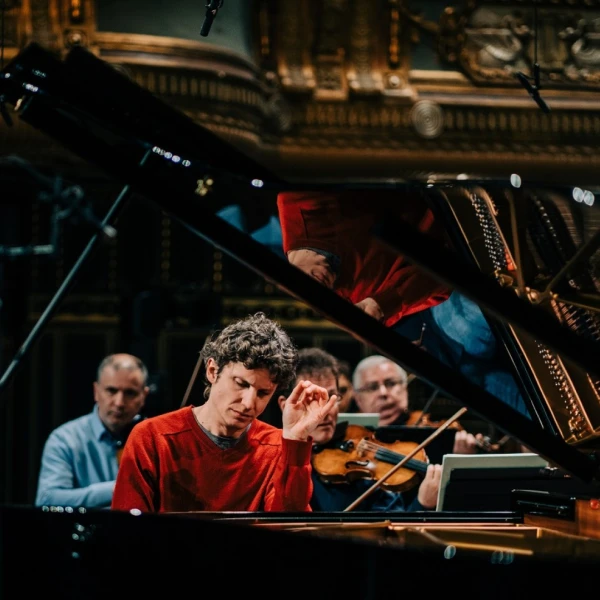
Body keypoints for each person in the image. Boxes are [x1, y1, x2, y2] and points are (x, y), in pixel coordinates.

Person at [277, 189, 530, 418]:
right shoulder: (348, 298)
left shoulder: (297, 200)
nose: (319, 288)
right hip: (451, 346)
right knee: (515, 402)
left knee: (476, 336)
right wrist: (381, 305)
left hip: (449, 212)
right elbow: (441, 280)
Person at [111, 312, 338, 513]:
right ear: (212, 370)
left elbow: (289, 526)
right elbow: (126, 534)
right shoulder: (151, 438)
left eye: (263, 393)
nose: (249, 403)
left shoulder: (277, 446)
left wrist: (295, 440)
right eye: (240, 384)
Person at [277, 347, 442, 511]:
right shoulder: (271, 457)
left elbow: (388, 525)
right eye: (311, 400)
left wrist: (422, 505)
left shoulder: (359, 461)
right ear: (286, 406)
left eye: (331, 398)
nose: (324, 412)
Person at [35, 353, 150, 508]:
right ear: (96, 391)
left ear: (144, 396)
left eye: (130, 393)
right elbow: (47, 499)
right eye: (111, 391)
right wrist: (117, 489)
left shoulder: (153, 439)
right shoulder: (64, 439)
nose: (119, 403)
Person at [352, 355, 484, 454]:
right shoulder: (349, 434)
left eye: (391, 383)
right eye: (372, 387)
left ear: (405, 388)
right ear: (358, 399)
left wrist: (460, 459)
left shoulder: (435, 430)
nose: (383, 393)